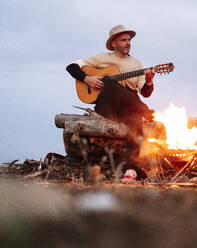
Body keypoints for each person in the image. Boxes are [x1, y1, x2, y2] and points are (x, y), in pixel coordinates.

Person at [66, 25, 155, 175]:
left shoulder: (137, 64)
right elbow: (71, 66)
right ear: (114, 43)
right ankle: (145, 110)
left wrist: (149, 82)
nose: (128, 43)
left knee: (135, 122)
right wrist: (87, 78)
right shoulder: (102, 58)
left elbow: (145, 92)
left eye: (129, 40)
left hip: (128, 107)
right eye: (123, 40)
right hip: (107, 105)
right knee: (109, 82)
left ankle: (131, 168)